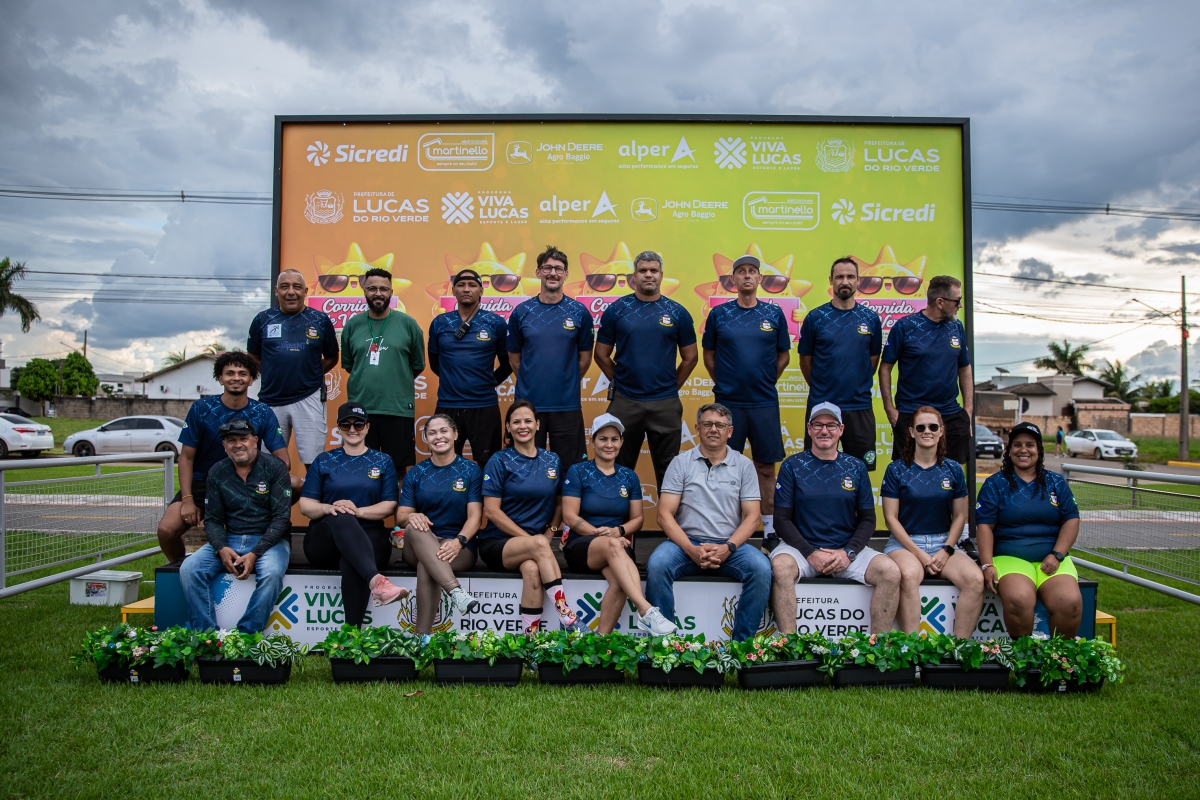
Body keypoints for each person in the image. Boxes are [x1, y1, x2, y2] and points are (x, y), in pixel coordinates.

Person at [770, 402, 902, 634]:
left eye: (831, 425)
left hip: (845, 551)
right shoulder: (792, 465)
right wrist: (810, 553)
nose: (824, 431)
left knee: (890, 572)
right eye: (818, 425)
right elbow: (781, 519)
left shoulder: (856, 467)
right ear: (809, 429)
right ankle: (788, 644)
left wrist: (848, 552)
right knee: (780, 567)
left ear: (841, 430)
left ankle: (878, 646)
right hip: (802, 550)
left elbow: (868, 519)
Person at [646, 403, 772, 641]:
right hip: (685, 545)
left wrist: (728, 547)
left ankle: (740, 647)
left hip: (730, 546)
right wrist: (690, 549)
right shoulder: (680, 462)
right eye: (707, 424)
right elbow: (664, 515)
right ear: (697, 428)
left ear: (730, 431)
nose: (713, 429)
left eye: (720, 425)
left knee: (761, 569)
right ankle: (666, 645)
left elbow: (753, 517)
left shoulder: (744, 465)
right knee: (658, 564)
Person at [156, 351, 296, 565]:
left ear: (251, 379)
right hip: (204, 482)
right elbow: (186, 458)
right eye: (229, 373)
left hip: (248, 481)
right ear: (220, 378)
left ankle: (260, 521)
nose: (236, 378)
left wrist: (260, 483)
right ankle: (180, 568)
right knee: (166, 530)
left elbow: (284, 461)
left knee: (295, 483)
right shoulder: (201, 409)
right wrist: (187, 500)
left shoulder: (262, 411)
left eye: (242, 373)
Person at [560, 412, 677, 635]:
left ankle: (600, 640)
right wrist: (606, 535)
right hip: (583, 546)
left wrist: (618, 531)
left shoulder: (629, 476)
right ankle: (646, 611)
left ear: (622, 442)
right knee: (614, 546)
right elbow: (570, 517)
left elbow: (638, 520)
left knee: (621, 583)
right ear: (592, 441)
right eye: (603, 439)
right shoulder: (578, 471)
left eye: (614, 439)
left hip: (617, 545)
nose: (609, 444)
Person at [702, 254, 791, 543]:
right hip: (728, 405)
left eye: (752, 271)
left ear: (759, 278)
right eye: (741, 271)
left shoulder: (773, 314)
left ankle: (770, 532)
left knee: (765, 468)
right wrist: (725, 383)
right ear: (734, 279)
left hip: (763, 403)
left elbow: (784, 355)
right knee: (722, 468)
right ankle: (723, 533)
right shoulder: (719, 314)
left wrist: (765, 380)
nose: (747, 276)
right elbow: (709, 355)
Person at [594, 250, 698, 489]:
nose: (648, 275)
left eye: (653, 270)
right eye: (643, 270)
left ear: (661, 275)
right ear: (634, 276)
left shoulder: (678, 312)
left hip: (665, 403)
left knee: (670, 474)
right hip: (625, 402)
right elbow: (601, 354)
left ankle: (669, 516)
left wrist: (671, 386)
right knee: (616, 469)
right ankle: (618, 516)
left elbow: (691, 357)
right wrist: (619, 382)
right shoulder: (617, 310)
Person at [300, 402, 410, 628]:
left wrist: (358, 511)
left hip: (370, 537)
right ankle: (377, 581)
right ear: (338, 428)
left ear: (367, 427)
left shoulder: (383, 461)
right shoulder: (324, 460)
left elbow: (390, 504)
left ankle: (352, 636)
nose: (352, 429)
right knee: (341, 514)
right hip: (325, 541)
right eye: (346, 424)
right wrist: (329, 508)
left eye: (358, 424)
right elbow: (305, 504)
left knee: (354, 557)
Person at [179, 418, 292, 632]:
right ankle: (206, 636)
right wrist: (221, 547)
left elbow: (281, 519)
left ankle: (246, 635)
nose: (238, 444)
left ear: (255, 441)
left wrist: (255, 553)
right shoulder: (217, 471)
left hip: (269, 540)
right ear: (224, 445)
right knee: (190, 569)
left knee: (272, 573)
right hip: (230, 537)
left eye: (243, 439)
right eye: (231, 440)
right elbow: (213, 519)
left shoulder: (275, 467)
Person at [477, 400, 581, 633]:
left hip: (536, 545)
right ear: (508, 427)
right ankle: (567, 616)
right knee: (538, 547)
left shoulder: (552, 460)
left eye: (527, 421)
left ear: (537, 424)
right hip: (498, 543)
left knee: (532, 570)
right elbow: (491, 511)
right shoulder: (498, 460)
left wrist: (549, 533)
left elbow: (559, 503)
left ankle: (530, 640)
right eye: (516, 422)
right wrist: (533, 540)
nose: (522, 426)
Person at [881, 406, 983, 638]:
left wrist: (947, 549)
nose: (927, 431)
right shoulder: (896, 469)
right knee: (908, 576)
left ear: (941, 431)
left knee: (975, 579)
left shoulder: (954, 469)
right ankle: (912, 648)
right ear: (912, 432)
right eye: (921, 427)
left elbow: (960, 516)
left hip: (943, 543)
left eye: (933, 426)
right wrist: (920, 554)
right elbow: (890, 519)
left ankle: (958, 648)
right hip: (905, 544)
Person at [976, 421, 1083, 637]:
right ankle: (1024, 654)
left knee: (1070, 603)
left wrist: (1057, 554)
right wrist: (987, 564)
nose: (1023, 450)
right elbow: (984, 526)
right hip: (1010, 557)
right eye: (1017, 445)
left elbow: (1071, 520)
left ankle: (1058, 654)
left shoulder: (1056, 482)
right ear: (1009, 450)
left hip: (1052, 559)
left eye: (1030, 445)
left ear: (1039, 450)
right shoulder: (995, 484)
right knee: (1019, 599)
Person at [397, 413, 485, 634]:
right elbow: (401, 516)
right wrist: (412, 516)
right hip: (419, 543)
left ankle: (422, 638)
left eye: (444, 431)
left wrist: (459, 541)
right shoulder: (416, 473)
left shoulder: (471, 471)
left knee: (427, 564)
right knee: (415, 525)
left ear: (455, 434)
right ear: (426, 439)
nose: (438, 437)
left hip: (458, 547)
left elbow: (475, 517)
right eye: (432, 433)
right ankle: (456, 592)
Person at [507, 246, 594, 468]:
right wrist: (530, 379)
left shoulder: (579, 312)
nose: (552, 273)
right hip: (529, 407)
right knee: (525, 467)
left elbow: (585, 358)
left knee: (570, 468)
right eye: (547, 268)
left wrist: (566, 380)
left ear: (566, 274)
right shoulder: (521, 312)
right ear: (538, 272)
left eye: (558, 269)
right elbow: (514, 359)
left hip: (567, 405)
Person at [247, 268, 339, 468]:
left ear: (305, 292)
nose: (291, 292)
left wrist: (310, 372)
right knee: (269, 464)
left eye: (297, 287)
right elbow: (253, 356)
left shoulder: (320, 320)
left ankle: (312, 491)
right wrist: (271, 371)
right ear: (276, 291)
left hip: (309, 396)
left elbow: (332, 357)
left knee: (313, 463)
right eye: (285, 287)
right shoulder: (262, 320)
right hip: (271, 399)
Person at [798, 257, 883, 469]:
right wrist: (822, 387)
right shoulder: (815, 317)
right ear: (831, 280)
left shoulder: (871, 319)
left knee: (860, 470)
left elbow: (872, 361)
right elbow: (806, 361)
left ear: (858, 281)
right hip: (822, 406)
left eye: (850, 277)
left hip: (859, 406)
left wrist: (856, 382)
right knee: (816, 469)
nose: (845, 281)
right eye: (840, 277)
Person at [341, 267, 426, 479]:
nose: (378, 293)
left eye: (383, 289)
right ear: (364, 291)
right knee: (360, 469)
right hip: (361, 410)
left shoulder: (408, 324)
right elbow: (350, 365)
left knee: (398, 470)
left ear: (391, 292)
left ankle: (398, 503)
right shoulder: (352, 325)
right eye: (372, 289)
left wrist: (396, 379)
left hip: (397, 408)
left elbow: (417, 365)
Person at [879, 275, 974, 464]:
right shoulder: (905, 327)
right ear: (940, 302)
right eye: (957, 301)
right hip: (911, 413)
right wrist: (890, 410)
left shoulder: (956, 327)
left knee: (951, 473)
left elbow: (965, 368)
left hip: (950, 413)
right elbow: (885, 368)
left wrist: (968, 413)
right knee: (907, 473)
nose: (960, 305)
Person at [427, 269, 511, 467]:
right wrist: (453, 379)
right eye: (461, 285)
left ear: (481, 291)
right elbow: (435, 363)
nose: (466, 289)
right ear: (453, 291)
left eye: (472, 285)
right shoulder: (440, 323)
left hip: (484, 405)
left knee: (488, 464)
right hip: (448, 404)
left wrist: (488, 383)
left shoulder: (496, 323)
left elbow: (508, 363)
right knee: (444, 462)